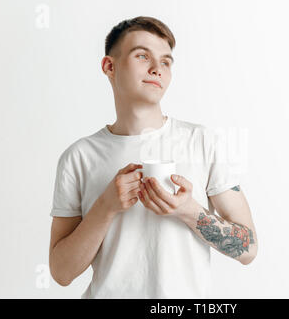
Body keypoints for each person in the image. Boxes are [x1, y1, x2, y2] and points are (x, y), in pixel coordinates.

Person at [48, 16, 258, 299]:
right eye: (142, 56)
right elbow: (62, 273)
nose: (157, 69)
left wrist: (187, 210)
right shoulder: (79, 157)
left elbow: (248, 249)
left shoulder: (202, 142)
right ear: (109, 66)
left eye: (166, 61)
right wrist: (106, 207)